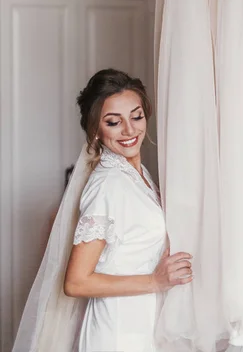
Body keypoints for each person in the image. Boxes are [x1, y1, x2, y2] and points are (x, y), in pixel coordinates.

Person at [12, 69, 192, 352]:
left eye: (136, 116)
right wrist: (155, 281)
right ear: (95, 129)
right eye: (113, 122)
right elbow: (76, 282)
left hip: (142, 325)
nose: (130, 130)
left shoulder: (136, 174)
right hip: (117, 334)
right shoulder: (108, 184)